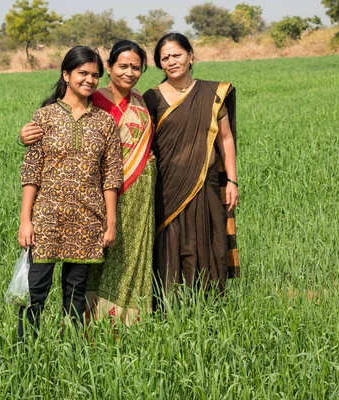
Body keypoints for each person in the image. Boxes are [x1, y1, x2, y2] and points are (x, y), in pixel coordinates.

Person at [20, 40, 156, 325]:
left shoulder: (103, 121)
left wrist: (110, 222)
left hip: (87, 218)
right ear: (66, 75)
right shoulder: (44, 116)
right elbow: (32, 171)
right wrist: (25, 220)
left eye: (94, 75)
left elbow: (111, 175)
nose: (90, 80)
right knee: (36, 291)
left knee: (76, 293)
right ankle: (26, 352)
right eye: (83, 73)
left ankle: (71, 348)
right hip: (48, 217)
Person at [142, 33, 240, 298]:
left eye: (176, 55)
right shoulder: (150, 99)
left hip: (206, 181)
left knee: (207, 236)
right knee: (170, 241)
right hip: (167, 185)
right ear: (159, 64)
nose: (172, 61)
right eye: (165, 58)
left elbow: (226, 138)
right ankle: (168, 302)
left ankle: (209, 300)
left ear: (190, 55)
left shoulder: (212, 93)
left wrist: (232, 181)